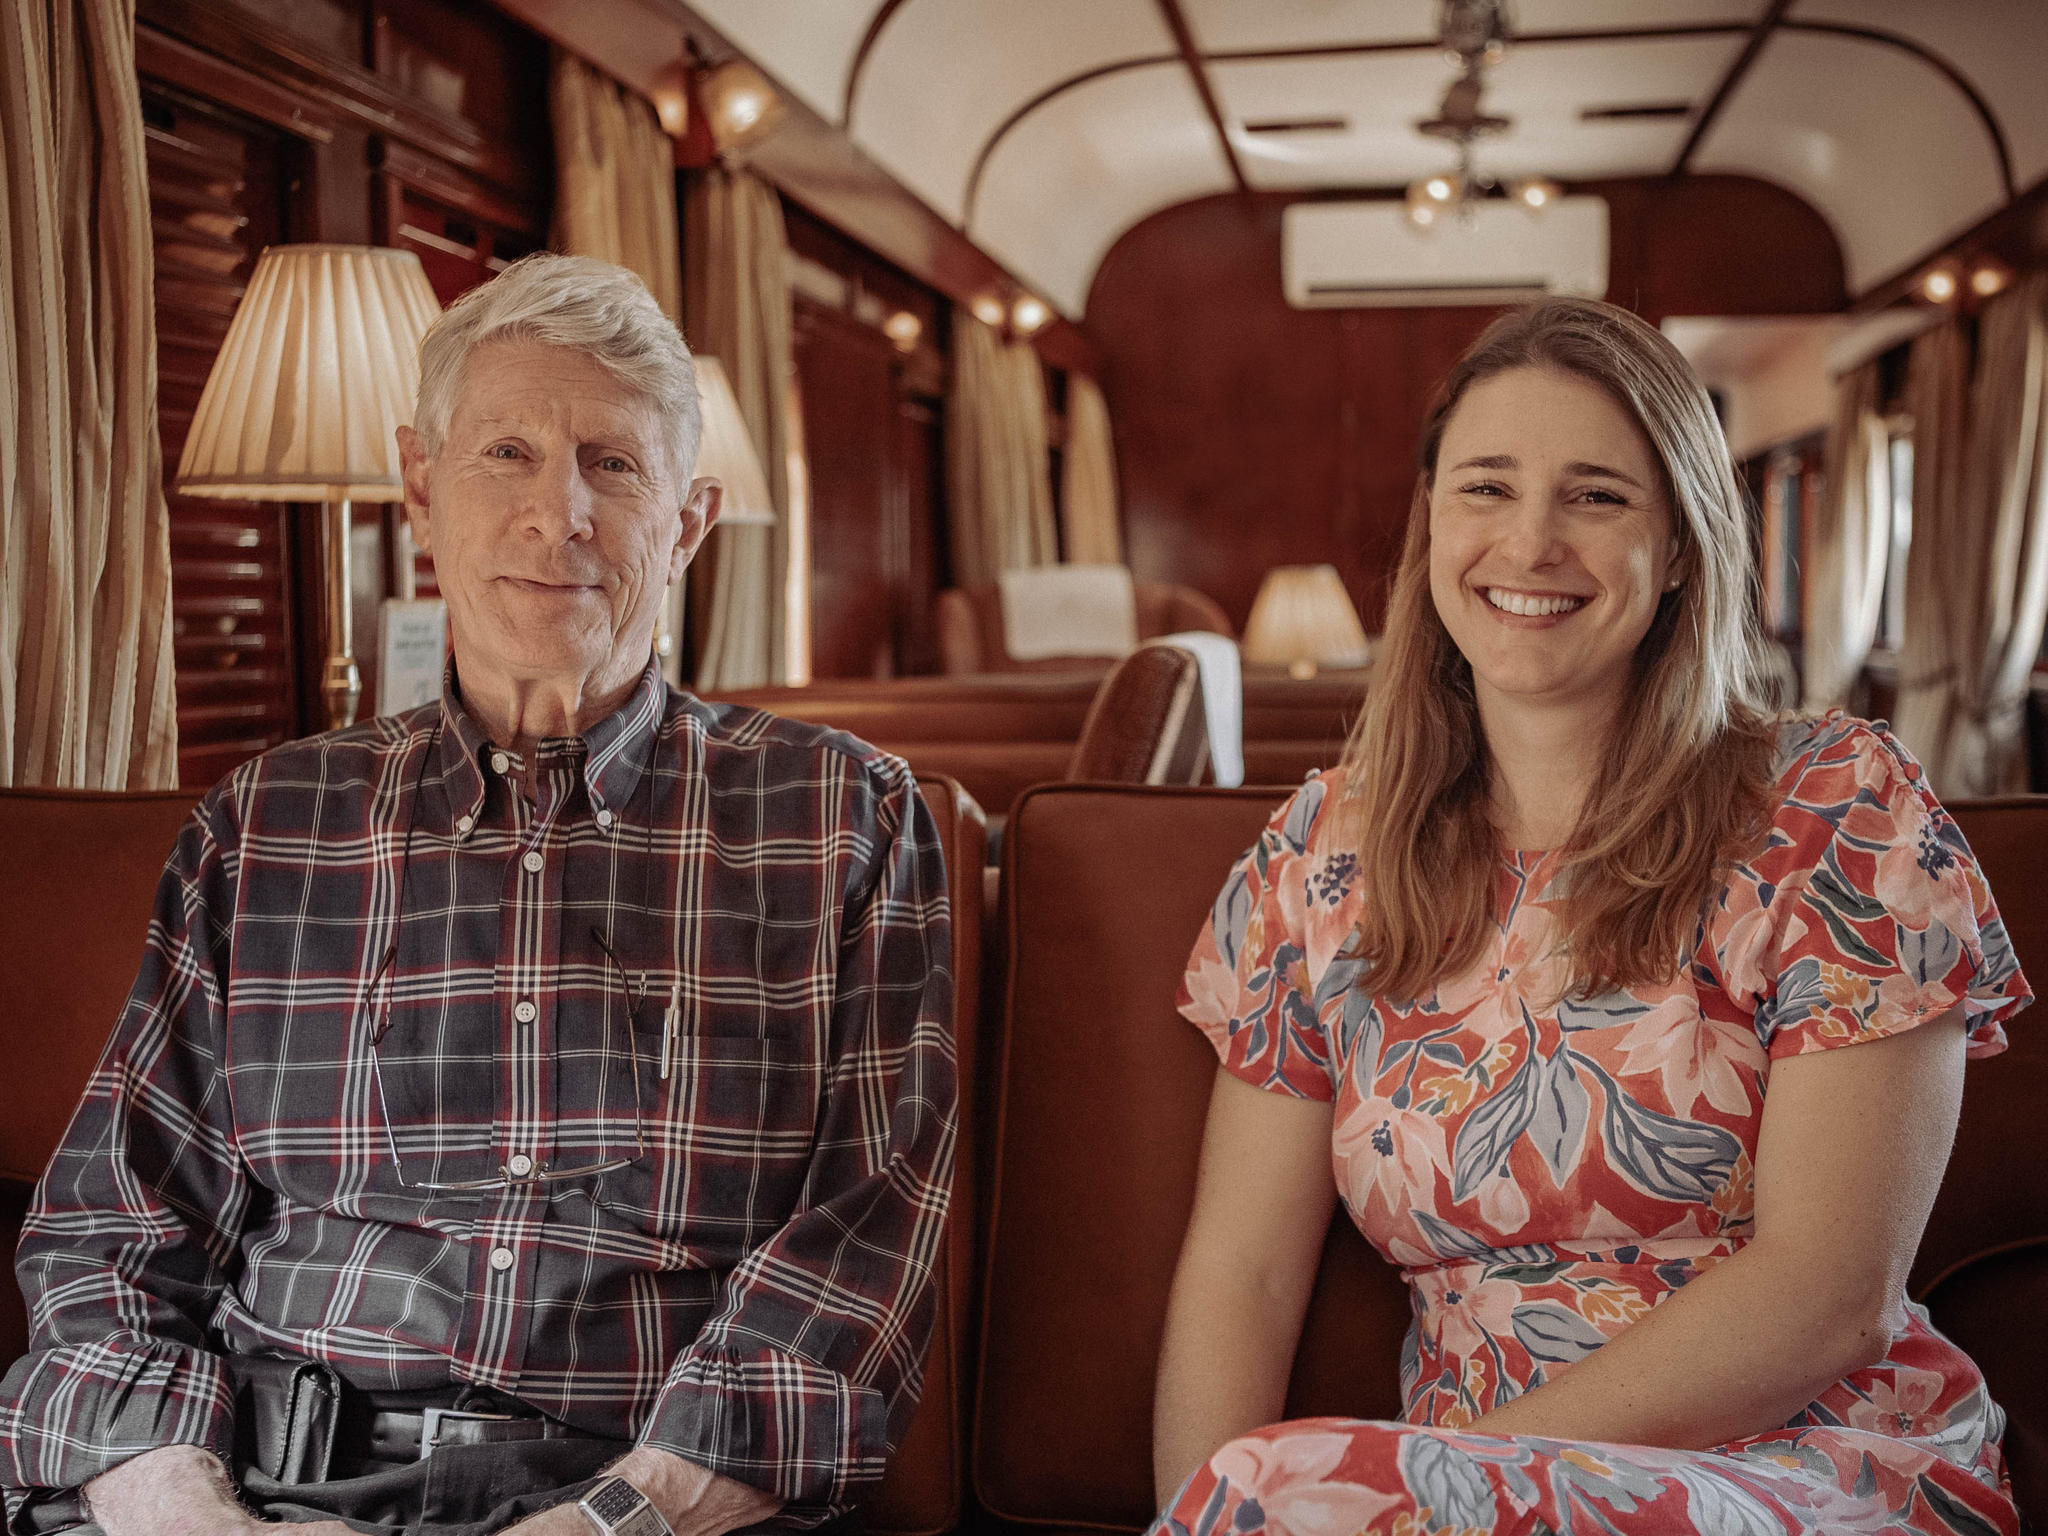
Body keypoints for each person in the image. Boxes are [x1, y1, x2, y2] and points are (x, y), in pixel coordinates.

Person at [0, 253, 957, 1536]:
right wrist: (183, 1509)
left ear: (687, 522)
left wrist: (619, 1518)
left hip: (640, 1499)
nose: (556, 512)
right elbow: (112, 1232)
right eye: (505, 452)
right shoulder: (264, 824)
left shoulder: (849, 819)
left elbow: (862, 1253)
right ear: (418, 490)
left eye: (612, 465)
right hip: (255, 1487)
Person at [1151, 298, 2028, 1536]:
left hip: (1816, 1464)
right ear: (1430, 526)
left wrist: (1410, 1491)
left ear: (1678, 545)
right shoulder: (1316, 858)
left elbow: (1833, 1295)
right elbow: (1238, 1277)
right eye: (1485, 488)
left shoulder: (1834, 806)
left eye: (1596, 496)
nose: (1530, 542)